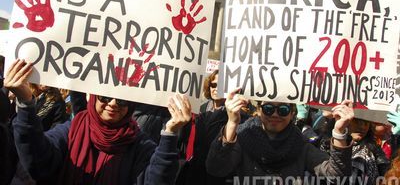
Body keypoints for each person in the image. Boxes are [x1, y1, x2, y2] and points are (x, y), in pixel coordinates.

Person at [5, 59, 192, 184]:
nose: (113, 104)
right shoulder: (72, 129)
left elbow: (157, 181)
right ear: (93, 97)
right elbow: (38, 161)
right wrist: (26, 104)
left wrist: (170, 134)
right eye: (104, 97)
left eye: (122, 100)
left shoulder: (140, 144)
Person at [206, 90, 355, 184]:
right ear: (258, 110)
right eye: (268, 108)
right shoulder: (243, 137)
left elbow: (336, 177)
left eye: (283, 109)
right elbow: (216, 168)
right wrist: (232, 123)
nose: (275, 115)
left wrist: (339, 132)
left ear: (292, 114)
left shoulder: (300, 144)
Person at [348, 118, 389, 185]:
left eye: (366, 122)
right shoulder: (328, 147)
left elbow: (387, 172)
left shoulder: (373, 148)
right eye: (357, 121)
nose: (362, 127)